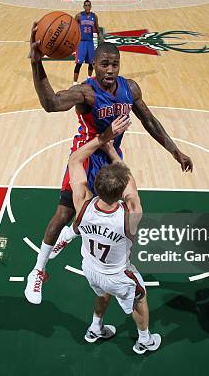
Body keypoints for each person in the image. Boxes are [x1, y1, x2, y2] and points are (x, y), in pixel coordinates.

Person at [24, 24, 193, 305]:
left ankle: (81, 237)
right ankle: (38, 269)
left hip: (112, 157)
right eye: (104, 64)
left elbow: (149, 121)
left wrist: (175, 151)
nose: (110, 69)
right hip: (87, 155)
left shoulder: (131, 89)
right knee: (63, 214)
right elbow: (51, 103)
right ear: (94, 66)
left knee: (118, 216)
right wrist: (36, 63)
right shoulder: (86, 93)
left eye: (114, 64)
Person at [61, 114, 162, 354]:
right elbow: (130, 185)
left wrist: (100, 140)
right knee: (140, 297)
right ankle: (145, 340)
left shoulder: (82, 205)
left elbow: (74, 160)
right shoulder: (130, 215)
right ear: (121, 193)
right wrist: (112, 148)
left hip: (91, 267)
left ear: (95, 186)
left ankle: (95, 328)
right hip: (119, 274)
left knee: (103, 292)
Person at [74, 0, 101, 84]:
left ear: (91, 6)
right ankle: (74, 82)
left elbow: (97, 28)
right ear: (83, 6)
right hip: (81, 42)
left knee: (91, 62)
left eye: (89, 5)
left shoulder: (94, 16)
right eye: (86, 5)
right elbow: (73, 27)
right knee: (79, 63)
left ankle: (89, 79)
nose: (87, 7)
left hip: (90, 42)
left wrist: (102, 38)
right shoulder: (79, 16)